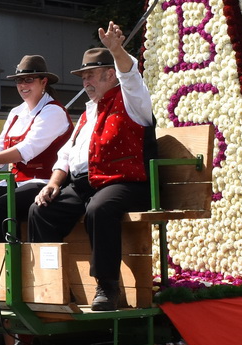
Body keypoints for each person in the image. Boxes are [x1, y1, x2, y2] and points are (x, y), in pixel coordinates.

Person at [28, 24, 153, 311]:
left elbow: (131, 76)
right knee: (41, 210)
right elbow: (66, 154)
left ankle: (107, 286)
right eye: (83, 77)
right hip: (86, 184)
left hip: (125, 183)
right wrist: (53, 183)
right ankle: (50, 285)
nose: (85, 82)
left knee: (100, 208)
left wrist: (117, 50)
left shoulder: (133, 100)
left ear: (111, 75)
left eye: (91, 75)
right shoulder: (89, 111)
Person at [0, 54, 73, 242]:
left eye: (28, 79)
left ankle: (10, 257)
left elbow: (25, 150)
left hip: (44, 181)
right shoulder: (16, 112)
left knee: (2, 207)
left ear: (43, 82)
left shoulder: (53, 111)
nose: (23, 85)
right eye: (19, 80)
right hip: (14, 182)